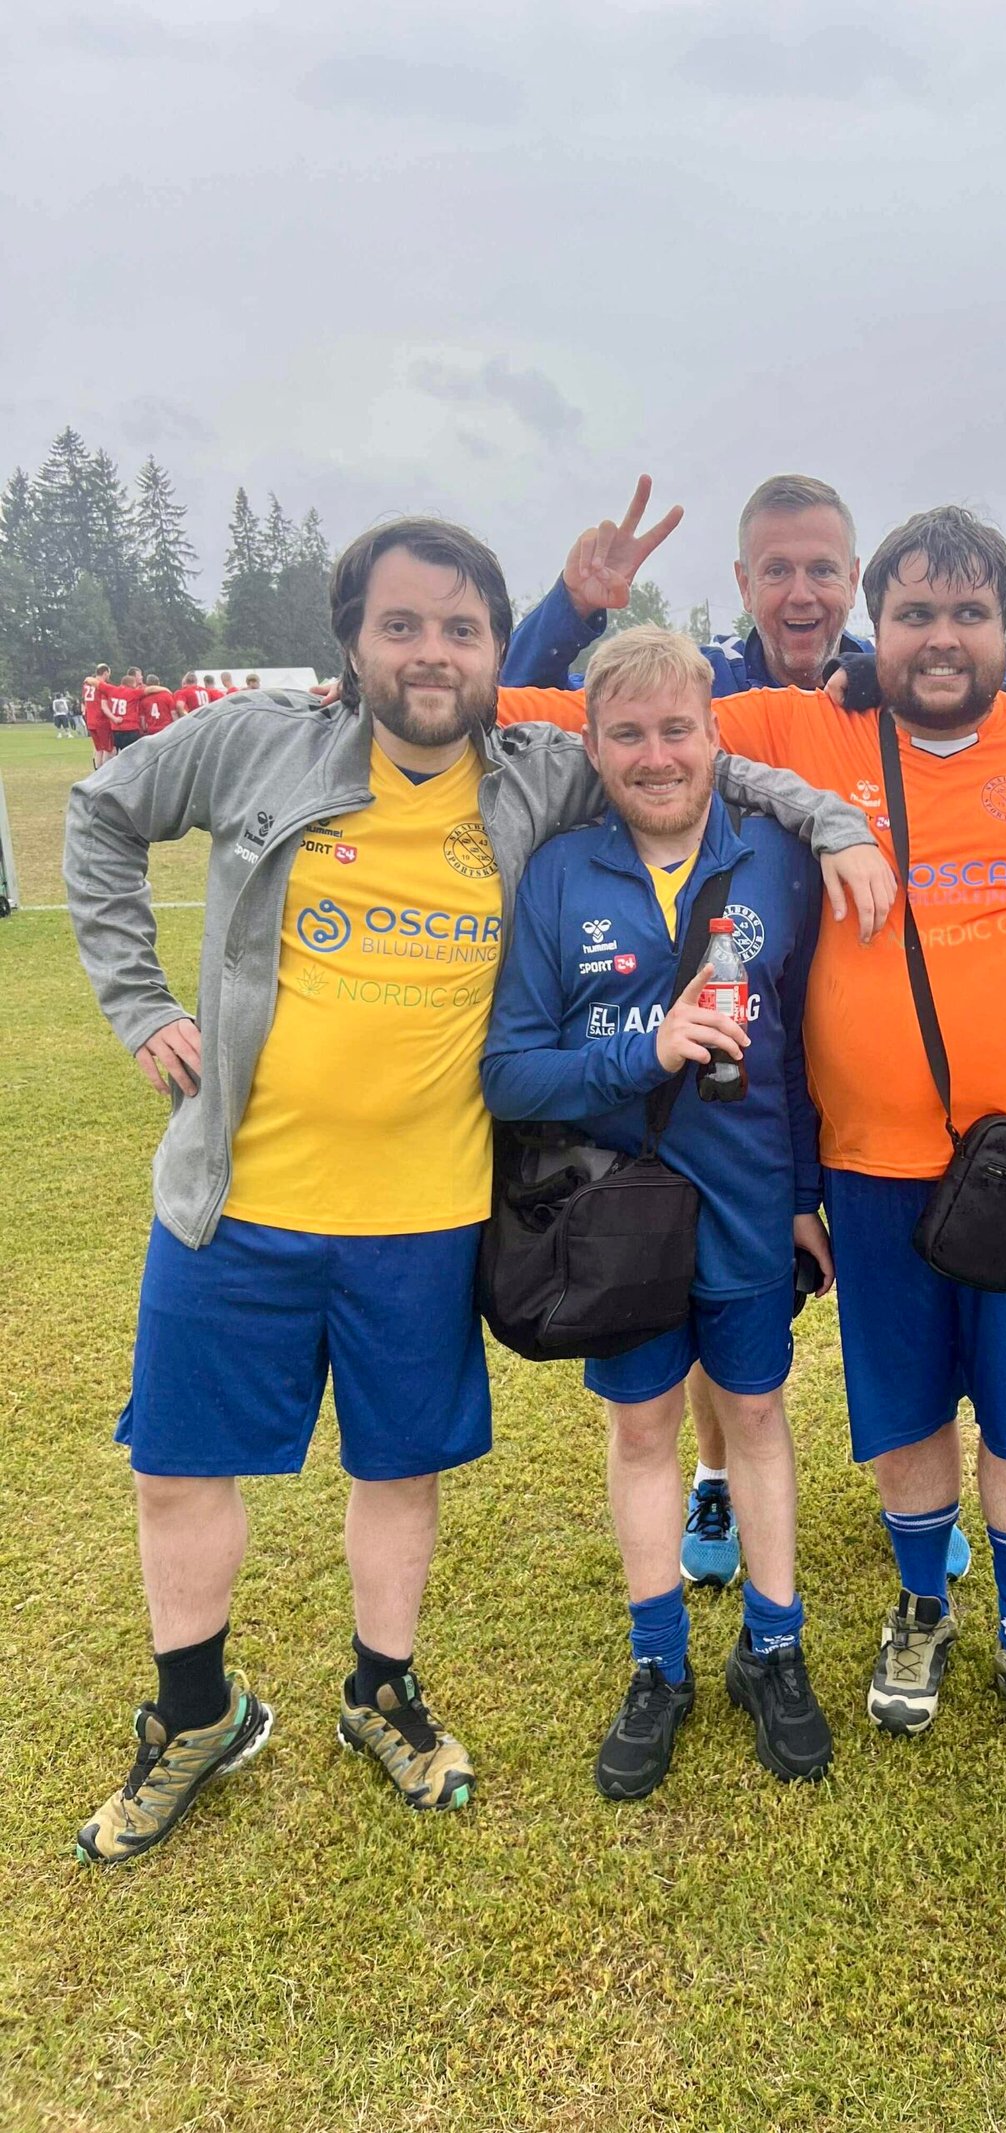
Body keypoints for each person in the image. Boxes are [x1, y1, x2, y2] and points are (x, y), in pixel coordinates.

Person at [62, 518, 890, 1867]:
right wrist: (140, 1000)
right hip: (238, 1195)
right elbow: (100, 813)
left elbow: (697, 760)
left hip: (428, 1208)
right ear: (352, 641)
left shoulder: (531, 773)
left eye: (460, 630)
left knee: (398, 1468)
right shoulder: (256, 743)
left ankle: (384, 1694)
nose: (430, 654)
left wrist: (835, 821)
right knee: (181, 1468)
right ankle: (194, 1713)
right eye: (400, 626)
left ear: (500, 652)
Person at [500, 505, 1006, 1779]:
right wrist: (572, 611)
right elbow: (557, 713)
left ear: (1004, 625)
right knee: (902, 1406)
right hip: (868, 1162)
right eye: (914, 614)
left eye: (968, 614)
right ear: (877, 620)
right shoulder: (806, 726)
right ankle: (919, 1608)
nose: (940, 638)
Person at [483, 628, 835, 1798]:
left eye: (676, 729)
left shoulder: (775, 857)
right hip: (615, 1219)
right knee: (642, 1433)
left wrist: (802, 1198)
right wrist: (646, 1049)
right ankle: (657, 1665)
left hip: (747, 1204)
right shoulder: (558, 873)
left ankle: (773, 1649)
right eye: (626, 734)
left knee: (756, 1415)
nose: (655, 755)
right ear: (593, 746)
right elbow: (509, 1071)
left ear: (712, 736)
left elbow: (799, 1049)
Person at [100, 670, 146, 751]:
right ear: (131, 684)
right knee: (133, 752)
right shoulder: (133, 692)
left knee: (120, 752)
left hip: (116, 728)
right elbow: (149, 690)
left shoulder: (112, 690)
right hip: (130, 728)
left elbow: (96, 683)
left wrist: (114, 718)